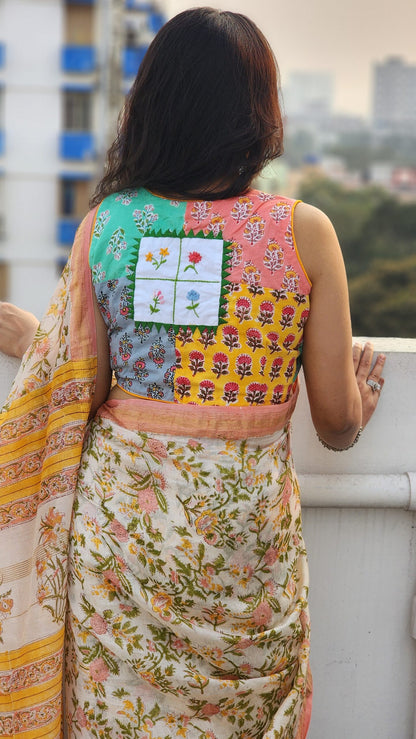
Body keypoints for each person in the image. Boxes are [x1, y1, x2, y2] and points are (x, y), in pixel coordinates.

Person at [0, 8, 385, 739]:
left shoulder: (110, 227)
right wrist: (359, 400)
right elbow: (335, 426)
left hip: (123, 557)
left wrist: (36, 340)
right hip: (246, 563)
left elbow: (81, 375)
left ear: (152, 106)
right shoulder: (303, 232)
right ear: (259, 112)